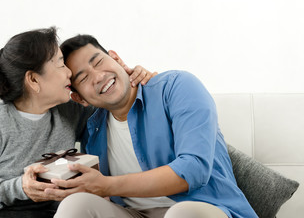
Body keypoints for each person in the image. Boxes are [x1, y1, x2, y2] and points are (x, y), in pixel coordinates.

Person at [0, 28, 153, 218]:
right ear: (34, 80)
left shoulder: (70, 111)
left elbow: (115, 105)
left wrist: (138, 80)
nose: (70, 72)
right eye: (61, 64)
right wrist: (19, 188)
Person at [44, 34, 259, 218]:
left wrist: (107, 184)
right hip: (134, 213)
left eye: (99, 62)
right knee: (75, 206)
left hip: (204, 210)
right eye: (83, 78)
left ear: (116, 58)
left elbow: (194, 169)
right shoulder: (92, 127)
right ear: (80, 99)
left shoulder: (177, 87)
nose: (99, 76)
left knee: (181, 214)